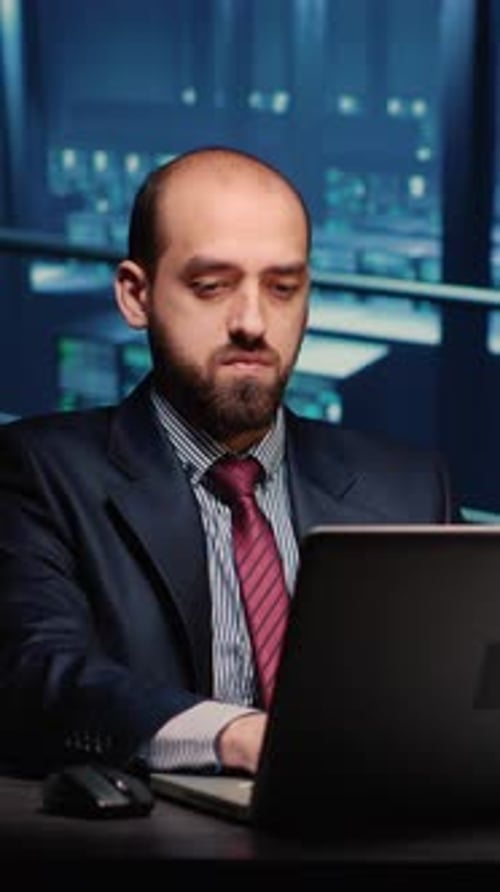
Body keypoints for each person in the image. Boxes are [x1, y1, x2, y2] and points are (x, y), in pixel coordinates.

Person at [0, 146, 456, 778]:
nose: (252, 321)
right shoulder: (37, 474)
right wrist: (238, 737)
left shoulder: (411, 489)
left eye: (283, 288)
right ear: (136, 295)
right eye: (211, 286)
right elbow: (39, 672)